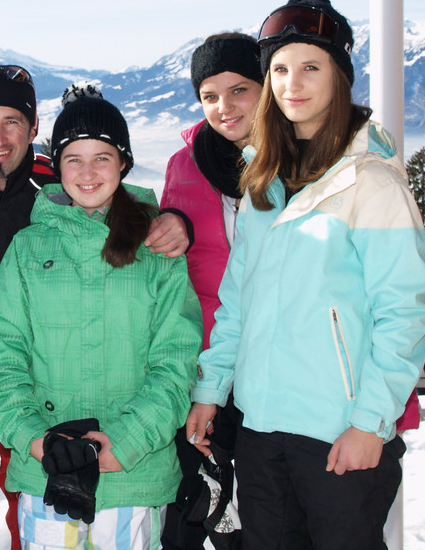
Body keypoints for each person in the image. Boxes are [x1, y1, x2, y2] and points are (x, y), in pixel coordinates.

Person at [188, 0, 425, 549]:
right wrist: (211, 388)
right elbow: (238, 302)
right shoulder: (262, 182)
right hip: (261, 428)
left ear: (339, 77)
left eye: (310, 67)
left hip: (338, 430)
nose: (292, 83)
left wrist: (370, 423)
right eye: (279, 69)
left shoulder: (371, 182)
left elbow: (403, 313)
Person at [0, 65, 192, 550]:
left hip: (60, 414)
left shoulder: (62, 193)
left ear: (34, 129)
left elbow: (175, 355)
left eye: (13, 122)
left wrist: (176, 219)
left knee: (29, 528)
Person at [159, 33, 263, 549]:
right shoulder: (185, 163)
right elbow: (171, 255)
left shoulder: (297, 161)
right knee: (193, 508)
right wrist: (173, 222)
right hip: (203, 366)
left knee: (263, 517)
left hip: (271, 367)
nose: (225, 107)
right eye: (210, 95)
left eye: (239, 90)